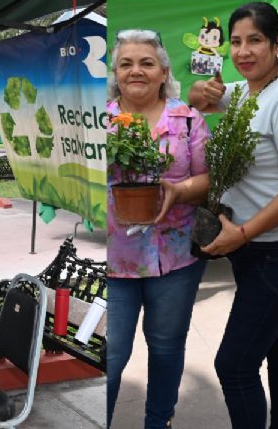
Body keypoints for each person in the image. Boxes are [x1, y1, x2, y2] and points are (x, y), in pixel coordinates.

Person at [188, 1, 278, 428]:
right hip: (251, 250)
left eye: (255, 41)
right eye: (237, 42)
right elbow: (198, 101)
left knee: (235, 365)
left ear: (277, 45)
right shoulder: (243, 92)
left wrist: (243, 233)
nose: (244, 51)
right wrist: (198, 94)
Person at [106, 30, 211, 429]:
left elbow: (207, 180)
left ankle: (158, 421)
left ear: (163, 71)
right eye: (126, 63)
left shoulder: (188, 120)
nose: (137, 70)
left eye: (146, 63)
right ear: (115, 73)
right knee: (112, 356)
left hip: (176, 258)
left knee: (166, 348)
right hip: (115, 262)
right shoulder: (98, 123)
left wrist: (178, 189)